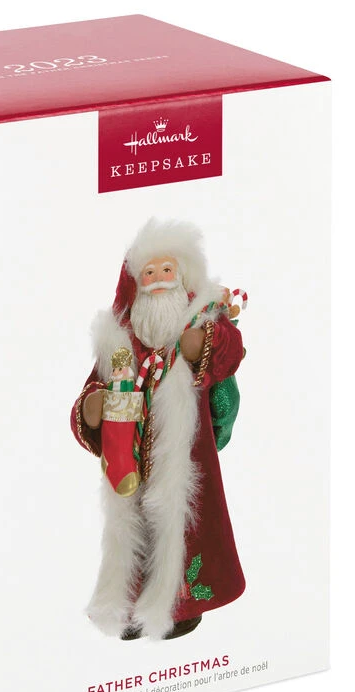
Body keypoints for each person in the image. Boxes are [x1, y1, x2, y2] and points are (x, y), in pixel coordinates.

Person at [70, 218, 245, 640]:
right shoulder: (121, 344)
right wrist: (93, 409)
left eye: (167, 270)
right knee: (132, 534)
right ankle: (130, 607)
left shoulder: (200, 322)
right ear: (136, 284)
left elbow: (229, 352)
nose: (159, 279)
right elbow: (92, 391)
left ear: (182, 277)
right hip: (129, 463)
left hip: (184, 459)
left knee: (182, 528)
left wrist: (201, 345)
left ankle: (179, 608)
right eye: (149, 273)